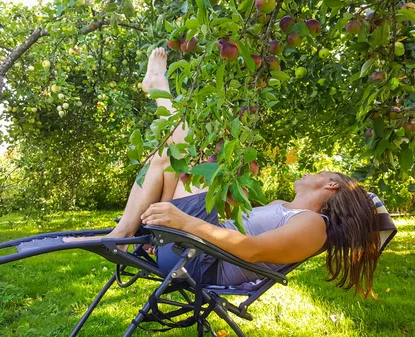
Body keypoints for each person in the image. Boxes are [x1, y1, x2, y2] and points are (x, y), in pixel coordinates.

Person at [66, 48, 383, 298]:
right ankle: (128, 233)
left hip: (200, 262)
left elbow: (251, 249)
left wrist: (182, 222)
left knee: (193, 155)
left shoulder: (314, 225)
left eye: (324, 171)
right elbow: (237, 228)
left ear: (330, 185)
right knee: (167, 158)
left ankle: (160, 88)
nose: (316, 170)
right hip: (187, 248)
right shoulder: (287, 209)